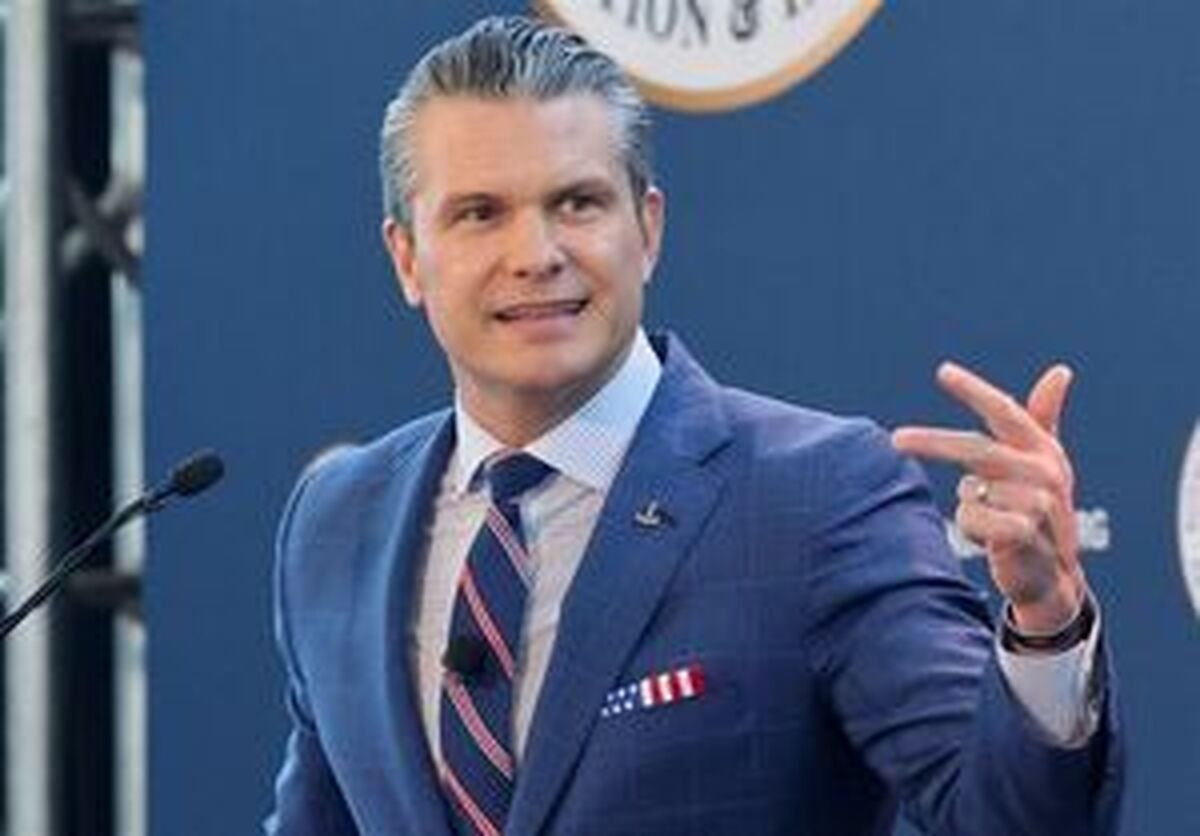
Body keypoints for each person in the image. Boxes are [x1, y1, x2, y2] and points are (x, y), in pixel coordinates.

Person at [265, 15, 1121, 836]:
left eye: (577, 203)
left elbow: (1014, 820)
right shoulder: (336, 520)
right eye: (480, 213)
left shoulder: (815, 495)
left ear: (647, 229)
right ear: (406, 258)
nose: (535, 255)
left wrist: (1045, 621)